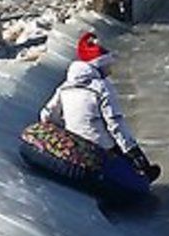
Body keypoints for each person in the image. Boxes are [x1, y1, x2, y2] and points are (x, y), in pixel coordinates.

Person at [40, 32, 161, 186]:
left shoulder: (64, 87)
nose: (110, 71)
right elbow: (115, 124)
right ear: (98, 65)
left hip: (75, 145)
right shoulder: (102, 87)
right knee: (135, 174)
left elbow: (46, 116)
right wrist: (136, 155)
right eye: (108, 66)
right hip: (100, 149)